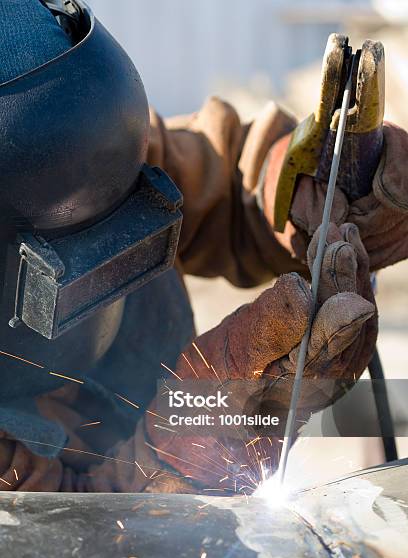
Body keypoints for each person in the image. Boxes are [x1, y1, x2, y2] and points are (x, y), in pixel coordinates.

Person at [1, 0, 408, 494]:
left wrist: (290, 184)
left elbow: (192, 176)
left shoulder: (55, 129)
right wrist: (189, 440)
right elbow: (73, 546)